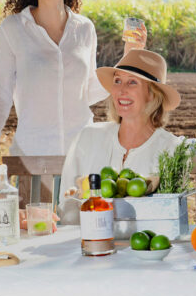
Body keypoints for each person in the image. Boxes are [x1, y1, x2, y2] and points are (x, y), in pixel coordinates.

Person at [0, 0, 144, 157]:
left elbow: (88, 91)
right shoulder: (13, 29)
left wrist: (130, 54)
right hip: (33, 158)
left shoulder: (84, 28)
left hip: (82, 156)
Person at [58, 49, 182, 223]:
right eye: (117, 81)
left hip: (143, 244)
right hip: (90, 241)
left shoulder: (170, 148)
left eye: (132, 82)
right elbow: (67, 204)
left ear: (152, 94)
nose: (121, 90)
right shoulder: (87, 137)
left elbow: (170, 214)